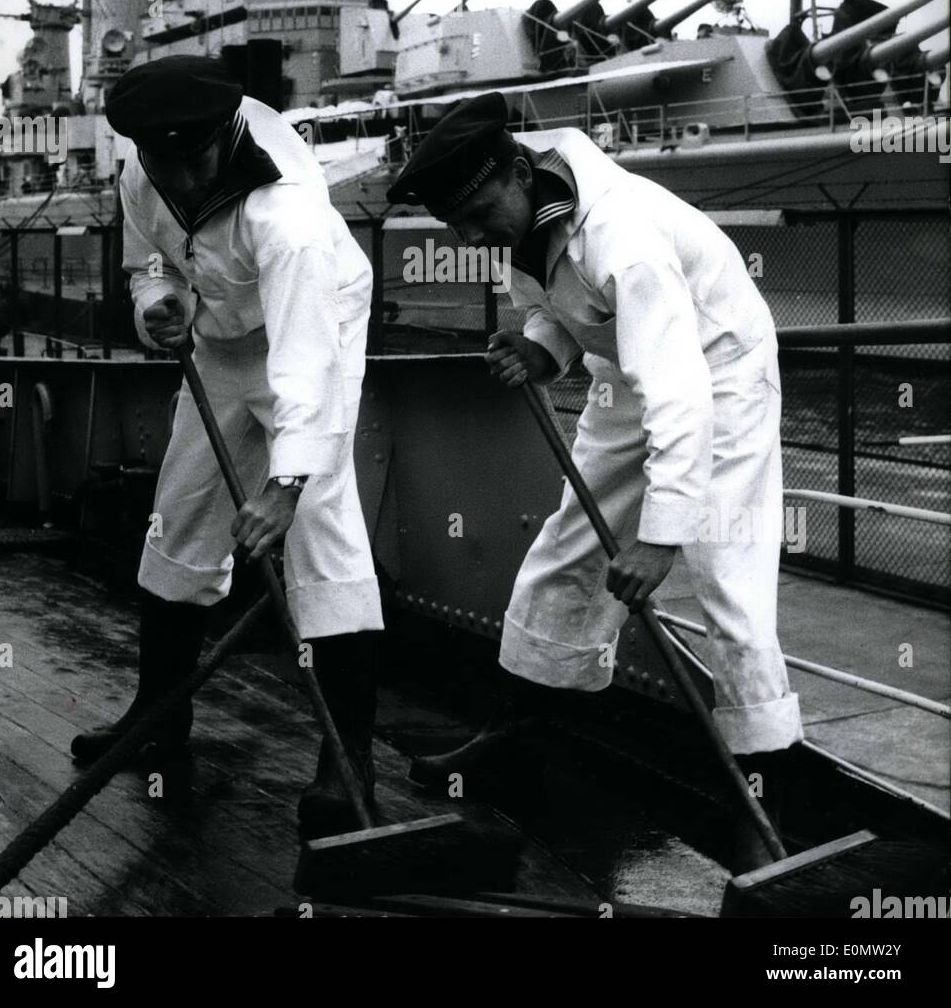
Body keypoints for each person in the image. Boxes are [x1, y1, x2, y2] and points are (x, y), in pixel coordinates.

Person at [386, 91, 802, 871]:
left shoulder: (623, 235)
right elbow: (565, 314)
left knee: (729, 593)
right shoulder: (527, 212)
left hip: (719, 381)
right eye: (460, 227)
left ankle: (761, 802)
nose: (475, 236)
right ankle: (524, 743)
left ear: (517, 171)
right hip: (625, 374)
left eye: (479, 213)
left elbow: (679, 390)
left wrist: (659, 538)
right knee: (563, 557)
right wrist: (543, 346)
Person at [71, 55, 383, 838]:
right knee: (179, 515)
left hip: (312, 327)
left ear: (227, 136)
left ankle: (347, 762)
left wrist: (285, 483)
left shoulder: (289, 217)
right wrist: (159, 305)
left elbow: (307, 358)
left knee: (323, 535)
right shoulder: (145, 171)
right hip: (218, 339)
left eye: (196, 161)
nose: (181, 179)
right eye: (164, 164)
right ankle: (157, 723)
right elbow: (149, 259)